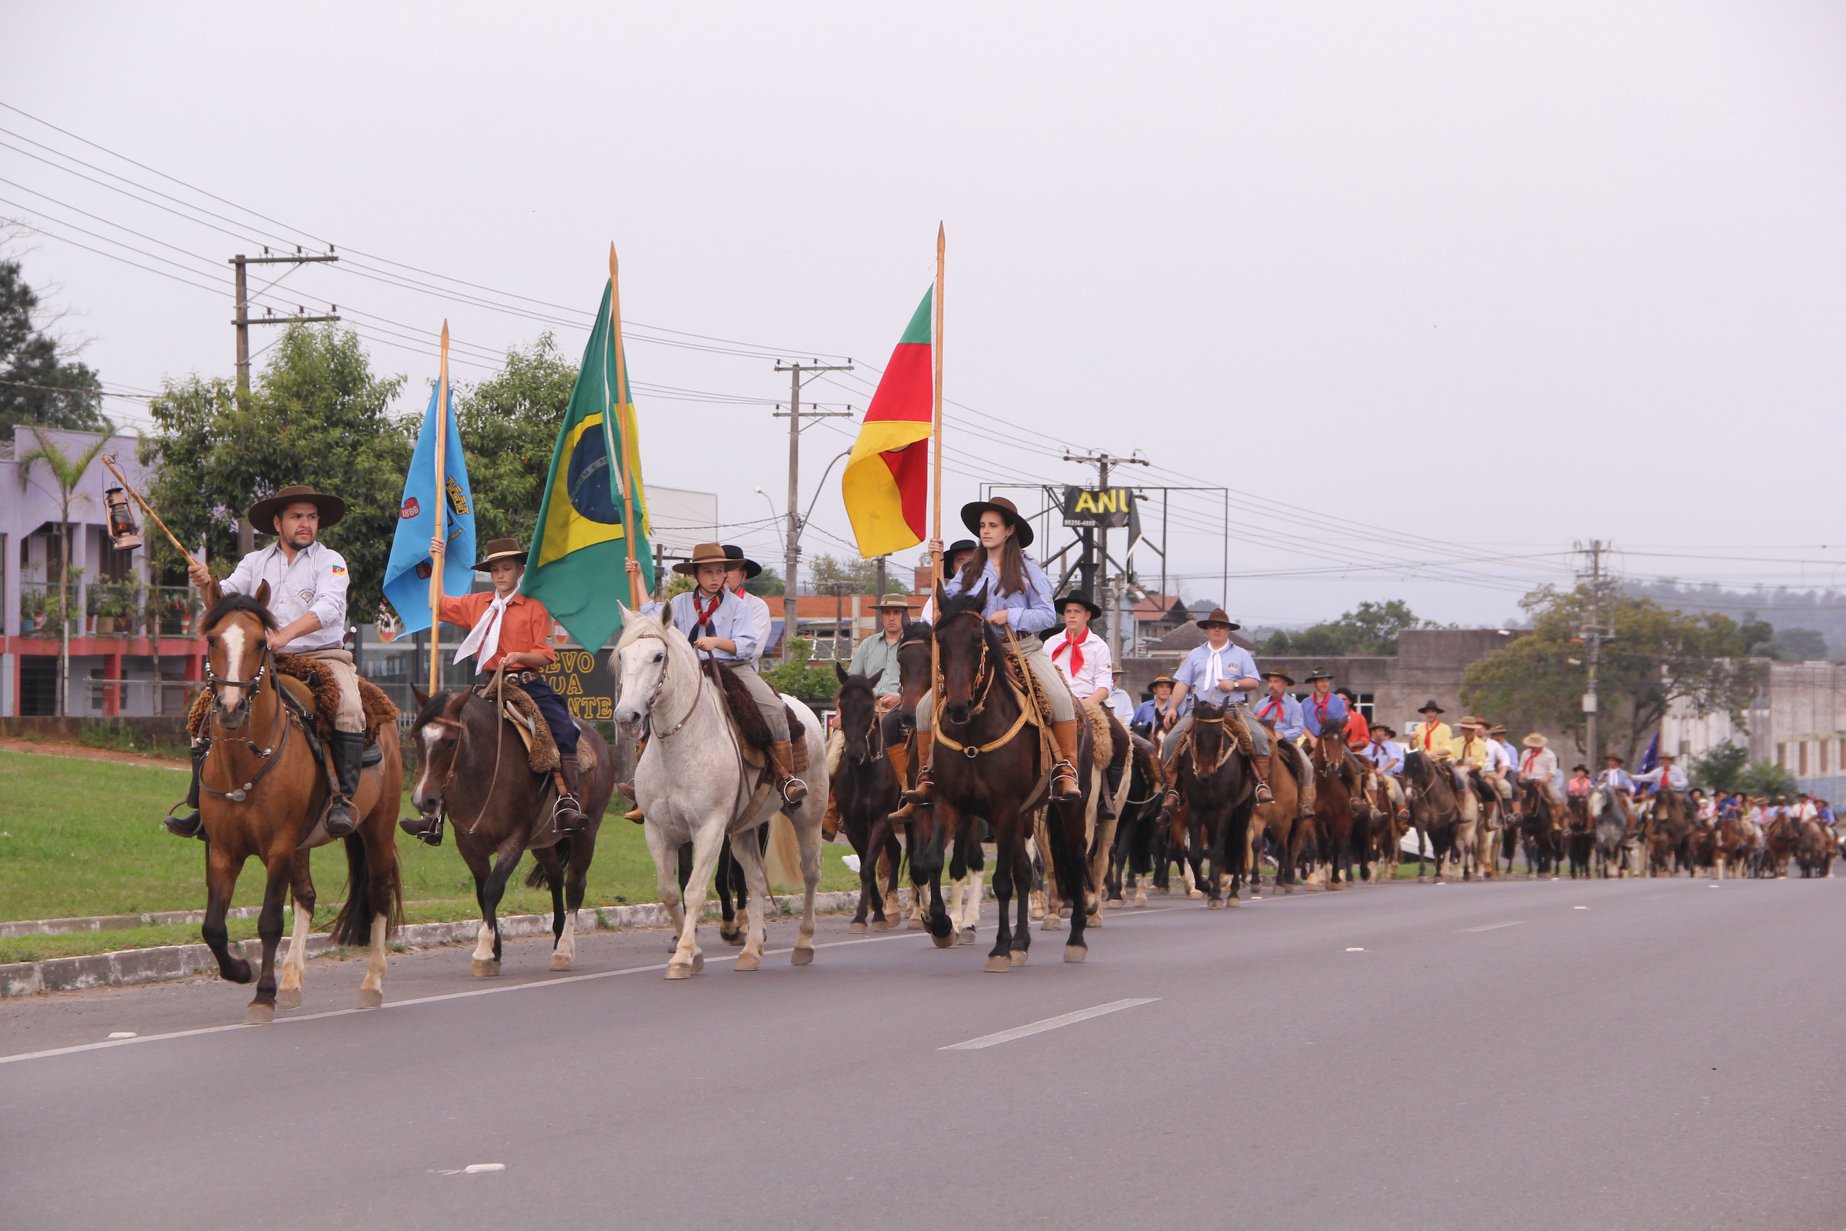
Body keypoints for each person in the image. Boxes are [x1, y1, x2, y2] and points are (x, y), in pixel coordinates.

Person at [167, 485, 365, 840]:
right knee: (202, 714)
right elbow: (223, 598)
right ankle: (199, 806)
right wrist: (203, 583)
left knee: (349, 709)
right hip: (265, 657)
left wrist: (284, 635)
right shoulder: (255, 562)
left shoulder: (331, 561)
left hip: (323, 656)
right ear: (278, 523)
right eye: (297, 517)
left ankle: (341, 800)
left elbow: (329, 607)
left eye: (311, 517)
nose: (305, 524)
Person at [896, 497, 1079, 817]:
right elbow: (945, 607)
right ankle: (927, 774)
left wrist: (1012, 615)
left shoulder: (1028, 569)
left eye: (993, 525)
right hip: (975, 652)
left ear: (1010, 530)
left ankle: (1065, 770)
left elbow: (1048, 615)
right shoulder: (969, 568)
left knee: (1060, 698)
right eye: (982, 526)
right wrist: (935, 564)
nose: (986, 531)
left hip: (1021, 648)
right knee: (926, 706)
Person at [400, 537, 586, 845]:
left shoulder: (534, 607)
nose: (500, 575)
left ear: (519, 570)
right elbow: (437, 603)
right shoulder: (478, 604)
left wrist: (520, 656)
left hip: (526, 683)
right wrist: (439, 561)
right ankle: (434, 816)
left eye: (507, 568)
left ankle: (568, 801)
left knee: (563, 727)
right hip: (488, 685)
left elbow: (546, 654)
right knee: (451, 735)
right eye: (495, 569)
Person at [626, 542, 806, 810]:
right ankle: (645, 784)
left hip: (732, 667)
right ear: (696, 575)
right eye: (708, 572)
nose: (714, 577)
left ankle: (785, 776)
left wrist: (717, 642)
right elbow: (653, 616)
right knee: (652, 704)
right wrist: (638, 577)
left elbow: (746, 645)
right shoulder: (680, 603)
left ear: (726, 574)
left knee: (772, 707)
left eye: (719, 571)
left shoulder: (738, 605)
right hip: (691, 671)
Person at [1157, 608, 1274, 804]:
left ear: (1228, 630)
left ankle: (1261, 783)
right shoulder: (1195, 654)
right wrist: (1171, 707)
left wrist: (1234, 684)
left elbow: (1254, 682)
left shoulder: (1241, 654)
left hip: (1232, 708)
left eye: (1221, 626)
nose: (1217, 630)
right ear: (1207, 630)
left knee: (1259, 737)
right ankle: (1173, 789)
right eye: (1213, 626)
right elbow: (1183, 683)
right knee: (1170, 741)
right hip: (1200, 711)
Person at [1044, 591, 1112, 706]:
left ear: (1087, 616)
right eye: (1068, 611)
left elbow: (1104, 685)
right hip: (1055, 703)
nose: (1072, 615)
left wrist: (1086, 704)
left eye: (1077, 611)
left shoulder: (1099, 646)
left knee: (1112, 724)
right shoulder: (1050, 643)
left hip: (1089, 703)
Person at [847, 593, 911, 707]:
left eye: (896, 612)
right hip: (868, 707)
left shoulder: (913, 646)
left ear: (905, 616)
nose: (891, 618)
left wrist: (902, 698)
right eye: (887, 613)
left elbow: (924, 685)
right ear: (881, 616)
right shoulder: (867, 644)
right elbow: (851, 681)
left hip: (902, 707)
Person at [723, 546, 774, 669]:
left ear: (743, 575)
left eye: (729, 569)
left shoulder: (757, 607)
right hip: (699, 671)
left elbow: (753, 650)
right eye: (718, 570)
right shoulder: (701, 604)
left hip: (739, 670)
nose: (723, 575)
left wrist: (715, 646)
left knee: (762, 690)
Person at [916, 538, 981, 621]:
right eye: (961, 561)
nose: (966, 565)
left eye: (971, 561)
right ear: (952, 568)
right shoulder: (934, 601)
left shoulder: (989, 590)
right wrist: (939, 558)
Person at [1252, 669, 1305, 743]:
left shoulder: (1294, 705)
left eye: (1276, 681)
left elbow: (1298, 729)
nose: (1271, 685)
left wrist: (1282, 735)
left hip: (1285, 743)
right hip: (1263, 742)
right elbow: (1253, 724)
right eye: (1270, 681)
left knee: (1300, 754)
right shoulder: (1260, 704)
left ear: (1285, 685)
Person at [1299, 668, 1347, 738]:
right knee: (1298, 749)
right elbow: (1302, 725)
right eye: (1321, 681)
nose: (1325, 684)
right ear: (1314, 683)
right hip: (1312, 738)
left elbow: (1342, 725)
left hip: (1332, 739)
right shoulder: (1305, 703)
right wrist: (1312, 739)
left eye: (1327, 681)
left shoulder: (1338, 702)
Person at [1519, 733, 1560, 804]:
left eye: (1535, 746)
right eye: (1531, 745)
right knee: (1516, 796)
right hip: (1528, 781)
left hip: (1543, 782)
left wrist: (1546, 778)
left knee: (1557, 797)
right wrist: (1522, 774)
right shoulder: (1525, 753)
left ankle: (1558, 814)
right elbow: (1521, 768)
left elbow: (1552, 771)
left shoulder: (1549, 754)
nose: (1533, 747)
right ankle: (1515, 813)